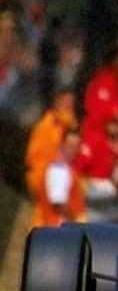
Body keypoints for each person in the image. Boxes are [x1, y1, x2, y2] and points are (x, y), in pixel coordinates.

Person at [26, 89, 77, 226]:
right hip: (49, 181)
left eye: (71, 101)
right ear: (57, 101)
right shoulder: (45, 127)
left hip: (67, 181)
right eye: (66, 100)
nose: (69, 104)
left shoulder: (72, 125)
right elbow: (34, 160)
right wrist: (44, 184)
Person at [37, 127, 86, 227]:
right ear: (62, 145)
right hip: (58, 228)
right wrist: (76, 222)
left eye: (77, 147)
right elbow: (59, 203)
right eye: (71, 147)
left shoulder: (67, 167)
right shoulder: (58, 169)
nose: (74, 151)